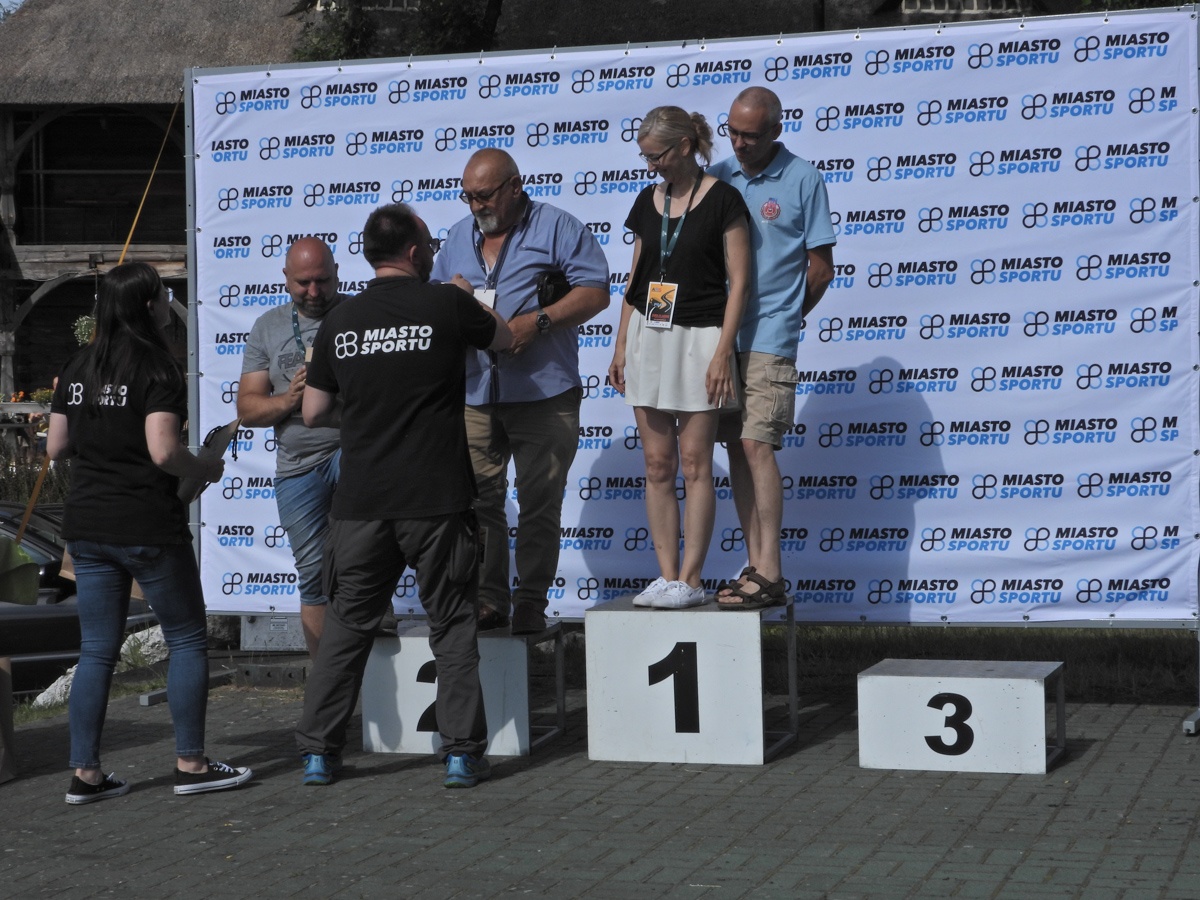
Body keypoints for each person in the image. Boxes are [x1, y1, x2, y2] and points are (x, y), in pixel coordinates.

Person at [294, 203, 512, 789]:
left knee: (347, 628)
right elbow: (506, 338)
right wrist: (468, 297)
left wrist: (367, 410)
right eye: (431, 247)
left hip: (361, 502)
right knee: (452, 624)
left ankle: (318, 754)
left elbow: (313, 412)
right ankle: (461, 755)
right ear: (416, 253)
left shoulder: (340, 319)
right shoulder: (446, 303)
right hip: (436, 499)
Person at [47, 261, 252, 804]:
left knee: (96, 651)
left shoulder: (78, 365)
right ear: (148, 305)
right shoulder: (157, 366)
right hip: (145, 523)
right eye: (163, 293)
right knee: (186, 637)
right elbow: (163, 451)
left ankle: (86, 775)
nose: (167, 301)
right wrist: (205, 466)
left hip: (87, 524)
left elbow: (55, 447)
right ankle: (192, 764)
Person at [431, 149, 609, 636]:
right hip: (474, 393)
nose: (476, 206)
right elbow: (435, 297)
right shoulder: (457, 237)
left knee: (539, 502)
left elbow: (596, 291)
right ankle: (490, 600)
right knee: (478, 502)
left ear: (515, 186)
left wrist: (539, 321)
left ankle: (531, 599)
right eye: (468, 197)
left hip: (543, 393)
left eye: (484, 195)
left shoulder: (558, 227)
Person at [607, 106, 751, 610]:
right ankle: (666, 575)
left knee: (695, 464)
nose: (652, 166)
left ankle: (691, 579)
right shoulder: (646, 200)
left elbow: (740, 283)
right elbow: (636, 279)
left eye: (657, 156)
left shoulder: (724, 199)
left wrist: (722, 353)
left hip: (701, 338)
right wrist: (620, 344)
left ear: (685, 147)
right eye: (645, 158)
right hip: (649, 334)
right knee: (657, 464)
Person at [709, 87, 836, 610]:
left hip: (769, 337)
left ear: (776, 131)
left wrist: (786, 317)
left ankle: (772, 570)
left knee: (757, 445)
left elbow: (820, 267)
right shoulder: (717, 175)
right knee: (736, 449)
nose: (739, 144)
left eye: (751, 135)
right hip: (719, 338)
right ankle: (754, 564)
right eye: (732, 133)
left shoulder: (804, 178)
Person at [238, 237, 350, 658]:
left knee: (364, 559)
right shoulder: (267, 327)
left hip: (350, 452)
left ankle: (371, 658)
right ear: (286, 278)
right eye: (304, 283)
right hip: (298, 467)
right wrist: (289, 399)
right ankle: (325, 678)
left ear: (338, 273)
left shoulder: (360, 314)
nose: (314, 292)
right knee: (313, 574)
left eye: (323, 280)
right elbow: (248, 409)